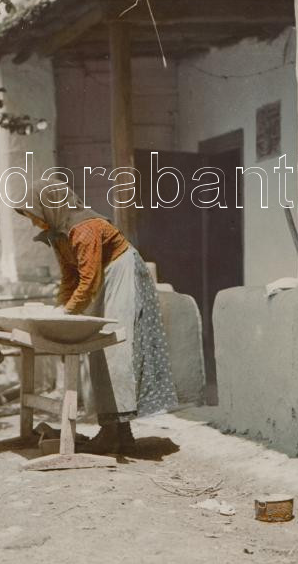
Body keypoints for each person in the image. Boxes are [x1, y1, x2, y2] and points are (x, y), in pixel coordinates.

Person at [15, 183, 178, 454]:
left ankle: (113, 433)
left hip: (122, 272)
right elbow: (70, 277)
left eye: (34, 214)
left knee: (115, 348)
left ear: (49, 207)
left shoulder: (85, 228)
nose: (33, 221)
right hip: (105, 277)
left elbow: (88, 281)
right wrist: (60, 309)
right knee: (99, 350)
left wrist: (67, 313)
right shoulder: (58, 234)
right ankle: (120, 433)